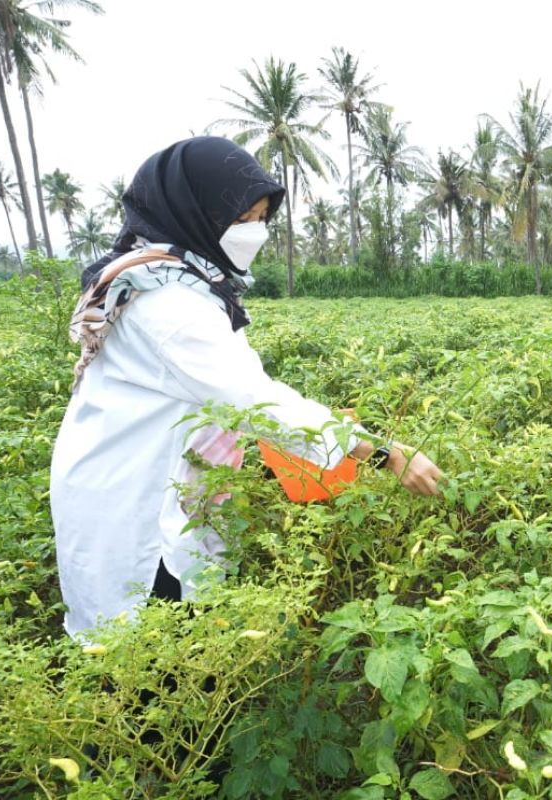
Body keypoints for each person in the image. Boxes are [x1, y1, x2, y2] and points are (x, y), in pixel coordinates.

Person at [51, 136, 444, 640]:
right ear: (194, 213)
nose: (254, 231)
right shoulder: (170, 305)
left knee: (178, 629)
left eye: (261, 217)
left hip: (152, 476)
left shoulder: (174, 279)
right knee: (150, 653)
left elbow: (228, 395)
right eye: (242, 219)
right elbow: (255, 401)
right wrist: (385, 453)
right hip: (135, 502)